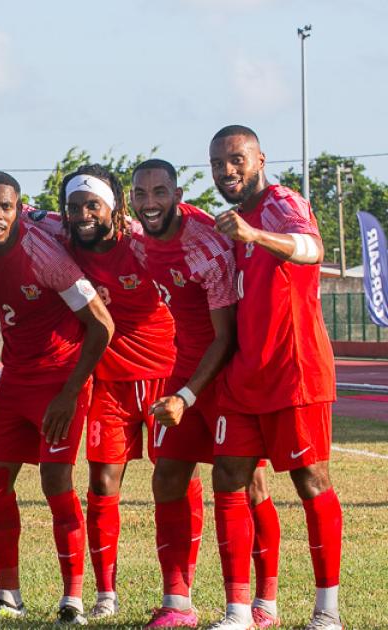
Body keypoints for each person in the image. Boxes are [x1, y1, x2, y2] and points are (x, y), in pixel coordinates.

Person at [131, 159, 281, 628]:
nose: (150, 202)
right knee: (167, 477)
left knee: (248, 485)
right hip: (184, 372)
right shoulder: (137, 236)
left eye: (160, 191)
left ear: (177, 193)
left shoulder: (205, 246)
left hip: (225, 378)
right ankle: (177, 605)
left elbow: (225, 337)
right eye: (141, 193)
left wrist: (186, 397)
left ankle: (262, 604)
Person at [205, 126, 342, 630]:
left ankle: (327, 612)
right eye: (218, 163)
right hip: (246, 374)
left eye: (236, 159)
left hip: (294, 370)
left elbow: (312, 248)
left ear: (260, 158)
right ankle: (241, 611)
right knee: (228, 477)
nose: (227, 171)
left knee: (310, 482)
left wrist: (255, 235)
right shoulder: (231, 221)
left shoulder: (282, 203)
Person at [0, 171, 113, 626]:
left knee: (56, 484)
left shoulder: (45, 256)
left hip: (60, 380)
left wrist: (69, 394)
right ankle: (8, 596)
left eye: (5, 207)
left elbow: (101, 325)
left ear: (18, 208)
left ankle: (73, 600)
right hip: (15, 378)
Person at [59, 164, 176, 619]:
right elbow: (16, 218)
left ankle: (176, 594)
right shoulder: (64, 241)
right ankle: (106, 594)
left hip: (165, 375)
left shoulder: (143, 244)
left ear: (116, 208)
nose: (83, 214)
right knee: (102, 483)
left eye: (93, 205)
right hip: (108, 381)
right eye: (75, 207)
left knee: (171, 482)